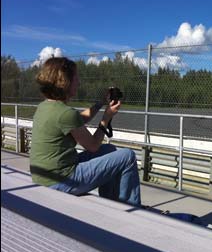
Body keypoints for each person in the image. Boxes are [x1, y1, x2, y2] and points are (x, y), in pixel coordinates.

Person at [29, 57, 142, 207]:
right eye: (76, 78)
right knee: (127, 156)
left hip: (45, 177)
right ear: (65, 81)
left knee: (109, 150)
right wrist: (106, 118)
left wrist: (101, 103)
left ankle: (112, 203)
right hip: (61, 181)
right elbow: (93, 146)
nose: (79, 82)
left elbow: (79, 120)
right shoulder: (65, 113)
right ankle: (132, 209)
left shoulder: (45, 107)